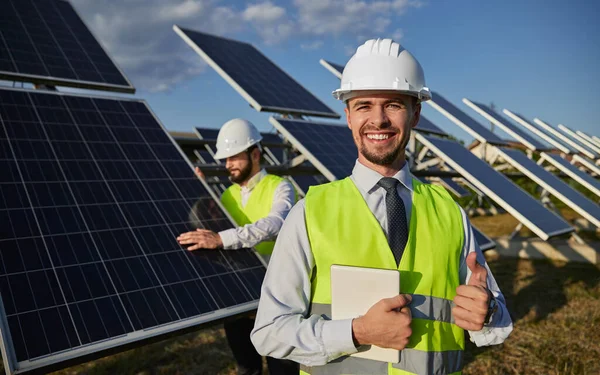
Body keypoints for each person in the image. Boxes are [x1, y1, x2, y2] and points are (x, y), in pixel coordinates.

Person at [250, 38, 513, 375]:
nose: (378, 119)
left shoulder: (450, 212)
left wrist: (487, 312)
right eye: (364, 106)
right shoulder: (309, 213)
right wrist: (356, 332)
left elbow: (497, 320)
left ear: (415, 113)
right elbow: (269, 332)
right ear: (348, 116)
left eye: (393, 105)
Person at [177, 118, 299, 375]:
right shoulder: (225, 195)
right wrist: (192, 189)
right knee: (246, 367)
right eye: (225, 159)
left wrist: (224, 238)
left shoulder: (281, 187)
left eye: (234, 157)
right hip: (238, 295)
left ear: (255, 154)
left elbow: (277, 223)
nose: (227, 165)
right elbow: (197, 225)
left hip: (275, 295)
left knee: (282, 367)